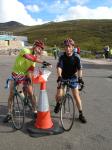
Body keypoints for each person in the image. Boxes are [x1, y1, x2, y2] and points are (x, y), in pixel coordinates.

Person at [3, 40, 50, 123]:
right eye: (39, 48)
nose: (40, 50)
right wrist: (43, 61)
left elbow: (31, 68)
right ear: (35, 46)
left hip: (25, 75)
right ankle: (9, 113)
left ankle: (35, 110)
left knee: (31, 93)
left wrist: (29, 77)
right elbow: (29, 57)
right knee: (11, 94)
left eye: (41, 49)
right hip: (16, 74)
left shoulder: (34, 58)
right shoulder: (25, 50)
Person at [54, 38, 87, 123]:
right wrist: (59, 76)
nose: (67, 48)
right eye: (66, 47)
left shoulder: (76, 57)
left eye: (69, 46)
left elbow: (80, 68)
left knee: (76, 96)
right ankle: (58, 103)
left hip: (73, 77)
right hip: (63, 77)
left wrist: (80, 78)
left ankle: (81, 114)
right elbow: (59, 67)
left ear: (72, 47)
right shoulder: (62, 56)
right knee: (59, 95)